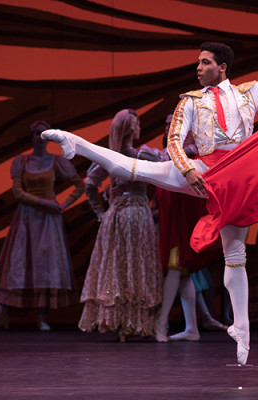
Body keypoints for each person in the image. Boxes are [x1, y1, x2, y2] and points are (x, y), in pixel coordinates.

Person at [42, 43, 258, 365]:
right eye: (198, 63)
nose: (198, 67)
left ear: (221, 67)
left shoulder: (249, 93)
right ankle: (76, 142)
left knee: (235, 253)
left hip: (240, 178)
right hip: (206, 172)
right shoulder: (190, 101)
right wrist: (188, 169)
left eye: (204, 62)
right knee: (135, 168)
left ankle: (242, 329)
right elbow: (174, 142)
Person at [0, 121, 84, 331]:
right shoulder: (22, 161)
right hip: (28, 216)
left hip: (48, 220)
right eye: (37, 134)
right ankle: (0, 315)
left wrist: (63, 204)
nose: (40, 138)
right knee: (17, 263)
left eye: (44, 134)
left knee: (45, 265)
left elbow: (80, 185)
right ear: (32, 136)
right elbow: (18, 192)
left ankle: (41, 316)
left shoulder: (56, 161)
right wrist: (44, 202)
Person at [78, 109, 163, 341]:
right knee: (137, 264)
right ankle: (133, 323)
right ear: (130, 129)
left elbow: (90, 185)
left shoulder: (111, 156)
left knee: (118, 265)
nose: (139, 129)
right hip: (135, 213)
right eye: (136, 125)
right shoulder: (141, 155)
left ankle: (122, 322)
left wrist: (101, 212)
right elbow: (165, 165)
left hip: (117, 214)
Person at [154, 113, 225, 342]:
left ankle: (160, 326)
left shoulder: (193, 154)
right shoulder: (163, 154)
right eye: (166, 124)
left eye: (172, 124)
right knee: (182, 274)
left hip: (183, 219)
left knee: (176, 267)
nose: (168, 128)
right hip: (170, 217)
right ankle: (192, 327)